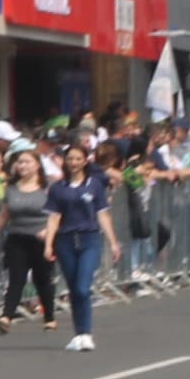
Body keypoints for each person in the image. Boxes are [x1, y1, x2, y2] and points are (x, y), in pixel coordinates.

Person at [49, 145, 112, 353]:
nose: (74, 163)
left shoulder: (94, 185)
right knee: (74, 288)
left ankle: (87, 333)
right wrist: (49, 243)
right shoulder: (58, 187)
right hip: (65, 240)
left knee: (83, 287)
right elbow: (54, 217)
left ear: (85, 161)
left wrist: (113, 241)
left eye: (78, 159)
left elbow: (102, 213)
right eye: (70, 159)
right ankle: (78, 334)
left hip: (89, 239)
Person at [0, 149, 58, 326]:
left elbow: (57, 214)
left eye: (27, 162)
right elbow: (4, 214)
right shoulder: (12, 188)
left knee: (42, 278)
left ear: (37, 165)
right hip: (17, 237)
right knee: (16, 277)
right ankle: (6, 316)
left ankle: (50, 317)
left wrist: (48, 233)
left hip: (41, 238)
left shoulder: (48, 188)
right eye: (19, 162)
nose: (22, 166)